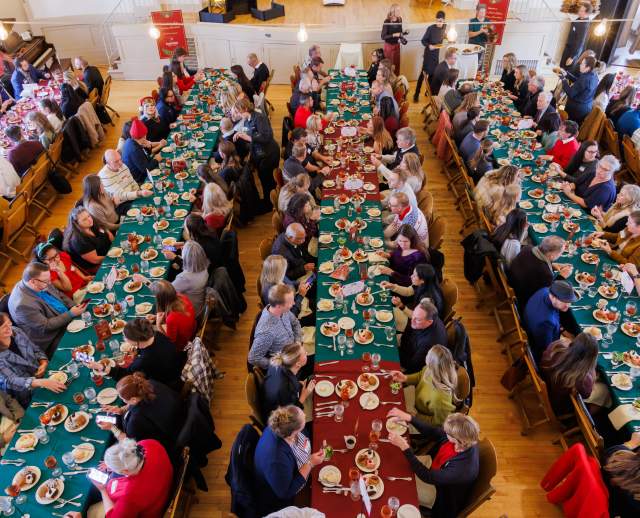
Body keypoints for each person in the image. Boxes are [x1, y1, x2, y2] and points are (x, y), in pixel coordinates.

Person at [387, 412, 480, 516]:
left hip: (439, 493)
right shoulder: (465, 439)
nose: (444, 432)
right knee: (397, 464)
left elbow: (427, 476)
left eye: (447, 432)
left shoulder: (463, 469)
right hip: (435, 470)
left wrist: (405, 447)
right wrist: (409, 418)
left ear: (459, 440)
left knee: (397, 485)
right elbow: (435, 432)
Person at [254, 405, 325, 516]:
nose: (306, 415)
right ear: (292, 433)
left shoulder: (280, 425)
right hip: (278, 496)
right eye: (304, 419)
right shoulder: (277, 459)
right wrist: (310, 463)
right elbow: (285, 492)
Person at [8, 262, 85, 354]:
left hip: (66, 317)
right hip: (53, 336)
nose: (49, 283)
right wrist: (71, 314)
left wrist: (73, 306)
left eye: (49, 280)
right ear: (33, 281)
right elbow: (46, 326)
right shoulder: (22, 305)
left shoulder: (40, 281)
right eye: (46, 281)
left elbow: (59, 294)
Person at [96, 372, 182, 455]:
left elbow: (130, 443)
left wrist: (112, 427)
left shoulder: (135, 420)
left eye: (123, 399)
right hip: (176, 420)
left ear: (133, 399)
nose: (123, 401)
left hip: (163, 443)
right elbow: (136, 402)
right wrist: (121, 409)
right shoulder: (149, 384)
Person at [87, 438, 173, 518]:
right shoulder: (149, 443)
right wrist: (114, 464)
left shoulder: (129, 496)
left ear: (125, 471)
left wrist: (102, 490)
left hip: (155, 510)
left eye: (113, 469)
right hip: (165, 481)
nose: (110, 470)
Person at [91, 318, 183, 389]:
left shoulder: (144, 361)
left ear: (136, 341)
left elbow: (125, 375)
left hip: (165, 384)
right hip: (175, 366)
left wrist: (101, 367)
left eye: (125, 337)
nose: (124, 338)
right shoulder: (157, 334)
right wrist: (138, 350)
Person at [0, 312, 66, 406]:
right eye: (4, 327)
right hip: (28, 393)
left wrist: (43, 362)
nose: (9, 327)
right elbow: (10, 381)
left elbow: (35, 349)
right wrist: (39, 382)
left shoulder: (16, 331)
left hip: (45, 374)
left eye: (8, 322)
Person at [232, 97, 280, 212]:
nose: (238, 115)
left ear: (244, 109)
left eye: (238, 112)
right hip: (260, 154)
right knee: (265, 180)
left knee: (267, 180)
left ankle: (269, 205)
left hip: (269, 155)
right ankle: (270, 200)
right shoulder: (248, 119)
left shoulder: (259, 118)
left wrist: (247, 137)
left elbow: (267, 137)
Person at [390, 344, 459, 425]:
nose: (426, 359)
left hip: (418, 415)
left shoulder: (440, 399)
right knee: (388, 387)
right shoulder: (433, 369)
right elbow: (421, 375)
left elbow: (438, 423)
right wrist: (405, 378)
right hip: (415, 401)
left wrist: (415, 416)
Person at [540, 333, 597, 415]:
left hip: (546, 382)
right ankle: (583, 422)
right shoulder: (584, 379)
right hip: (558, 405)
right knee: (603, 393)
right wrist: (591, 368)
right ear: (591, 358)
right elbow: (586, 395)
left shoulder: (558, 345)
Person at [249, 284, 303, 371]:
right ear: (279, 306)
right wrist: (280, 364)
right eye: (290, 302)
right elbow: (253, 358)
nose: (293, 304)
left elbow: (295, 323)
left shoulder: (283, 310)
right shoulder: (266, 332)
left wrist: (298, 341)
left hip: (295, 350)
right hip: (288, 367)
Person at [508, 236, 569, 309]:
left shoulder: (528, 248)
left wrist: (551, 264)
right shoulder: (546, 273)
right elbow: (550, 293)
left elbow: (534, 262)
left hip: (512, 282)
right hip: (524, 300)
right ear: (552, 255)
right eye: (560, 253)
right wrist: (562, 276)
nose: (560, 255)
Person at [523, 280, 577, 362]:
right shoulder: (547, 322)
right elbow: (547, 349)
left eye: (569, 301)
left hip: (534, 328)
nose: (568, 305)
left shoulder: (545, 290)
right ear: (553, 296)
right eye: (564, 301)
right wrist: (568, 344)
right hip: (538, 350)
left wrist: (563, 330)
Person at [261, 343, 314, 420]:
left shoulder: (277, 361)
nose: (307, 353)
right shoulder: (286, 388)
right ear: (298, 364)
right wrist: (304, 395)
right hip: (279, 419)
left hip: (277, 400)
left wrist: (298, 384)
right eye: (305, 353)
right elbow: (291, 414)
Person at [383, 263, 444, 329]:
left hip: (420, 325)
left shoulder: (427, 300)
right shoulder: (425, 283)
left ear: (422, 280)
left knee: (387, 314)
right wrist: (392, 286)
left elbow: (417, 318)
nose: (411, 276)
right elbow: (408, 291)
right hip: (415, 310)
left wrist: (401, 306)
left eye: (414, 276)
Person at [399, 298, 447, 374]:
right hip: (407, 350)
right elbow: (407, 333)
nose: (412, 320)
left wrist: (397, 351)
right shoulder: (426, 319)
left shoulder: (430, 343)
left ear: (429, 321)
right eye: (413, 315)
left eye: (418, 319)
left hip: (413, 368)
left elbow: (413, 366)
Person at [62, 206, 113, 274]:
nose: (89, 219)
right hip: (96, 266)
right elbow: (95, 260)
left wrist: (115, 245)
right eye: (84, 219)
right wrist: (113, 256)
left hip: (108, 252)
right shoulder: (78, 241)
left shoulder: (91, 223)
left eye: (89, 216)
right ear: (77, 224)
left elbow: (107, 232)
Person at [148, 280, 196, 351]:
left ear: (160, 300)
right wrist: (156, 317)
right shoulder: (181, 296)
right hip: (192, 329)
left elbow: (170, 341)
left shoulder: (171, 319)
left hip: (182, 344)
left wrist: (158, 325)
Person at [169, 240, 210, 317]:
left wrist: (146, 281)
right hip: (198, 305)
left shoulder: (184, 278)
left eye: (183, 251)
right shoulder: (204, 266)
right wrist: (173, 248)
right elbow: (189, 262)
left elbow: (165, 293)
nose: (181, 250)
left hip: (189, 313)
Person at [602, 436, 640, 517]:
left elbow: (608, 452)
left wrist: (630, 444)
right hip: (607, 507)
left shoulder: (616, 453)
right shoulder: (635, 502)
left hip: (590, 491)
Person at [415, 11, 446, 101]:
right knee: (423, 74)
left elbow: (443, 36)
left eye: (440, 21)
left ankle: (428, 91)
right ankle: (416, 94)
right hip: (428, 54)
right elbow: (423, 40)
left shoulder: (445, 27)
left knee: (433, 74)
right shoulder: (430, 28)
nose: (438, 23)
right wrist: (429, 46)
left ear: (444, 20)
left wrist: (447, 38)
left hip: (436, 55)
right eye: (437, 21)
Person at [121, 118, 161, 184]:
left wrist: (148, 148)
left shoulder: (131, 140)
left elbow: (145, 157)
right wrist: (156, 159)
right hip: (140, 180)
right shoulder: (134, 149)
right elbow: (146, 170)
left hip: (141, 171)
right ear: (144, 136)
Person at [561, 55, 598, 124]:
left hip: (576, 109)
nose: (580, 65)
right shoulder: (594, 76)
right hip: (586, 108)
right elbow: (579, 83)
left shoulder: (585, 78)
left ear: (588, 68)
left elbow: (570, 93)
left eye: (582, 64)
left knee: (568, 127)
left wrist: (563, 80)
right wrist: (567, 75)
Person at [560, 2, 593, 67]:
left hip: (572, 51)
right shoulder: (580, 18)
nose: (579, 11)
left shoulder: (584, 26)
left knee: (564, 69)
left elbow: (580, 43)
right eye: (580, 9)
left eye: (581, 11)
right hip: (568, 47)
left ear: (586, 13)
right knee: (561, 66)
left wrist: (572, 57)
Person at [380, 3, 404, 75]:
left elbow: (400, 32)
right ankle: (388, 84)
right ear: (393, 12)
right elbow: (383, 36)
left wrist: (402, 35)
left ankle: (395, 83)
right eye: (398, 11)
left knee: (396, 66)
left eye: (400, 10)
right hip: (389, 47)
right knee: (388, 66)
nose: (399, 12)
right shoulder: (387, 21)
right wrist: (394, 35)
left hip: (397, 45)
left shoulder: (400, 19)